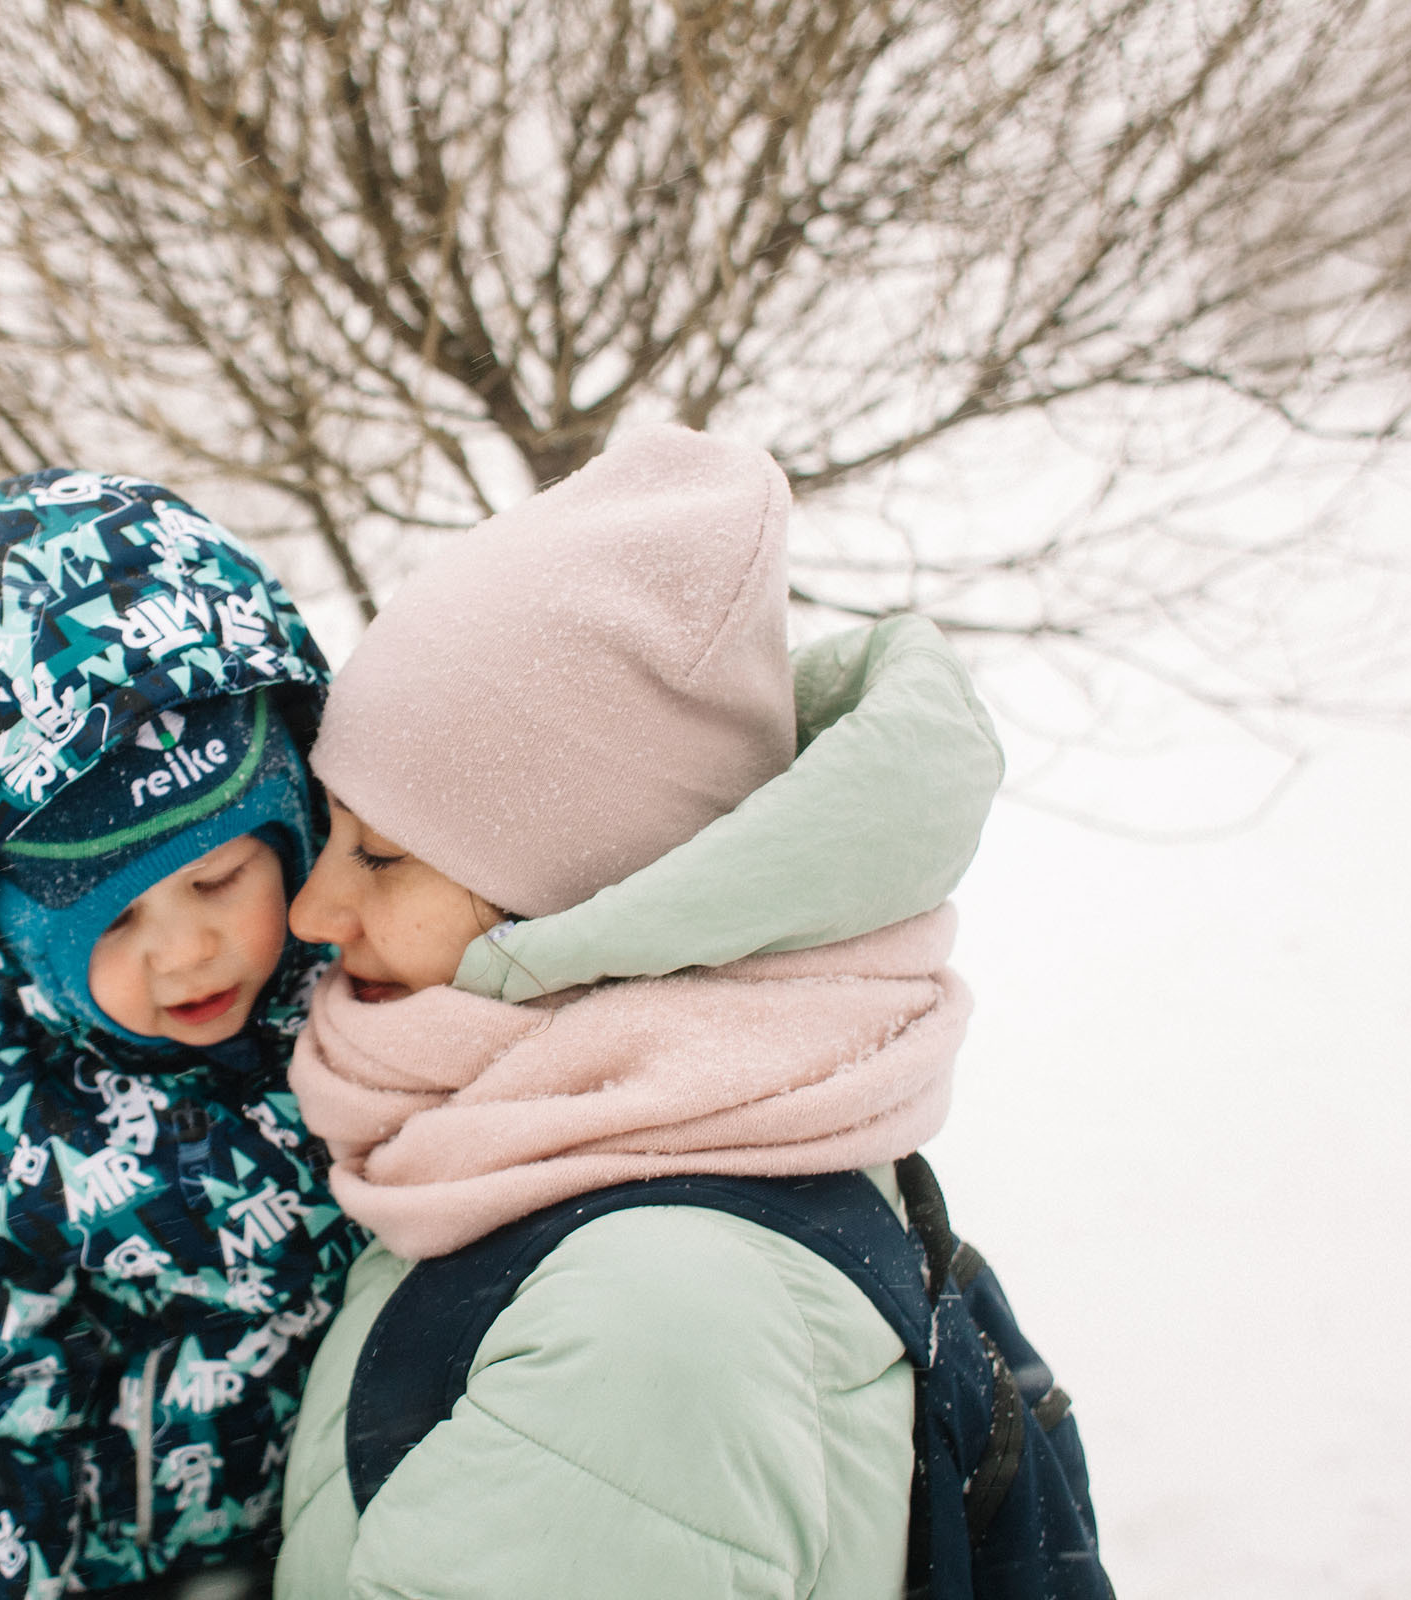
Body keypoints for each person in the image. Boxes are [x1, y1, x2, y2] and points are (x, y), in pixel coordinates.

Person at [272, 426, 1011, 1599]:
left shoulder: (652, 1321)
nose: (314, 908)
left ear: (569, 902)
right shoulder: (593, 1134)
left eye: (381, 857)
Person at [0, 470, 366, 1600]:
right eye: (112, 921)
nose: (187, 953)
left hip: (406, 1502)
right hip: (159, 1570)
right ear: (6, 931)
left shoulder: (372, 957)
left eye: (219, 877)